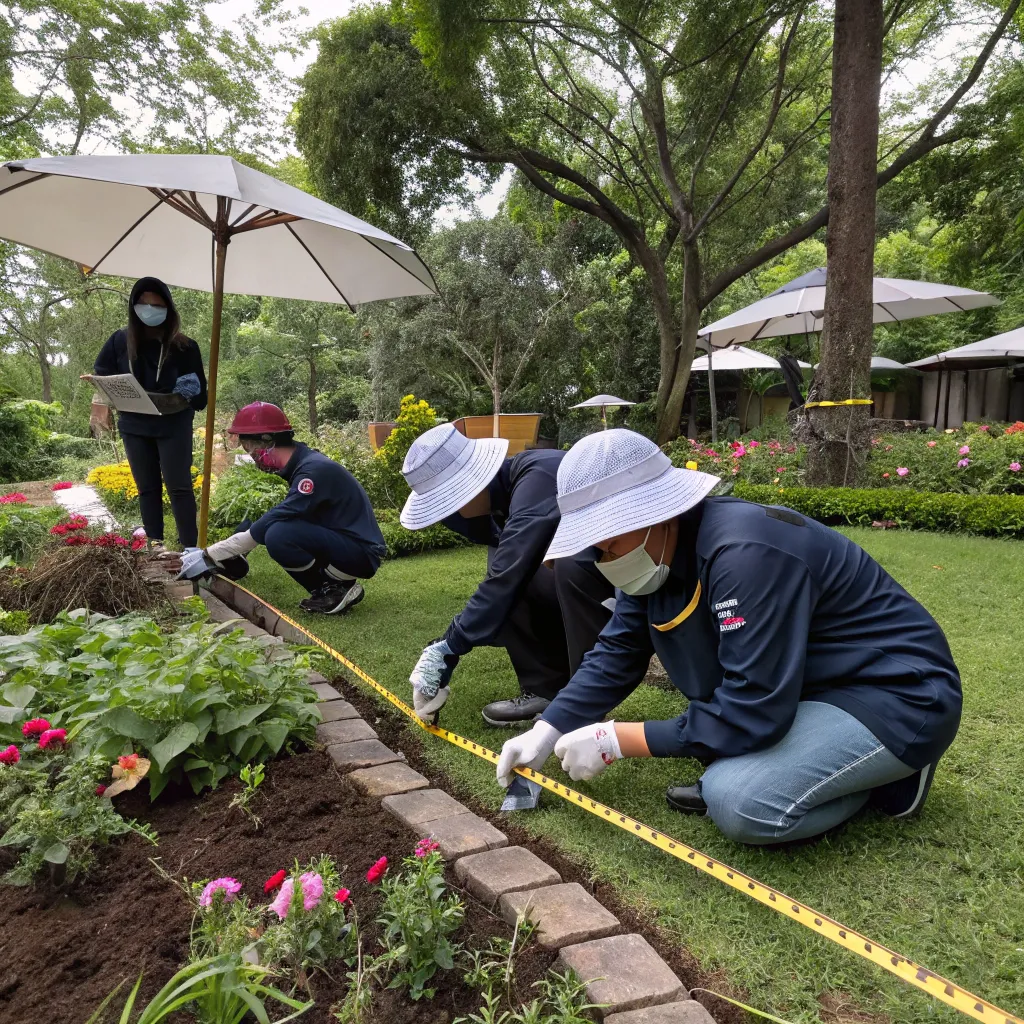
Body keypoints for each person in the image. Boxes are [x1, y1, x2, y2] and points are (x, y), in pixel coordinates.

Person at [496, 429, 962, 845]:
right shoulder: (653, 558)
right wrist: (548, 727)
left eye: (607, 540)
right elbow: (618, 648)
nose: (601, 556)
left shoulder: (744, 554)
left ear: (655, 513)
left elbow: (751, 708)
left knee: (740, 801)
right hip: (807, 689)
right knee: (728, 763)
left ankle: (891, 777)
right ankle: (831, 759)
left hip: (896, 694)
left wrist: (617, 740)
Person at [401, 423, 614, 726]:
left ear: (472, 484)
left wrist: (450, 645)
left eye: (450, 504)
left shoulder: (538, 478)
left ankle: (584, 704)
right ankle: (548, 690)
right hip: (599, 574)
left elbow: (508, 572)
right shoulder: (506, 493)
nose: (452, 515)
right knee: (516, 578)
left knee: (548, 568)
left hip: (630, 576)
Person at [179, 402, 386, 615]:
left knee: (279, 534)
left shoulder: (312, 472)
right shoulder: (304, 463)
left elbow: (275, 521)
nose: (252, 456)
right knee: (266, 527)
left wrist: (210, 554)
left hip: (360, 552)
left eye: (251, 448)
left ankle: (333, 590)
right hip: (347, 543)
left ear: (268, 440)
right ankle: (326, 588)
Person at [89, 277, 207, 551]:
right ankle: (156, 544)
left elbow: (200, 397)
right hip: (134, 424)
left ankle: (191, 548)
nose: (150, 309)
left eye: (157, 304)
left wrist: (190, 389)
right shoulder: (120, 340)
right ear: (134, 307)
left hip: (173, 423)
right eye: (144, 304)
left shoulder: (185, 346)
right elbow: (102, 373)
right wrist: (100, 393)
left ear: (169, 308)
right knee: (147, 487)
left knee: (179, 486)